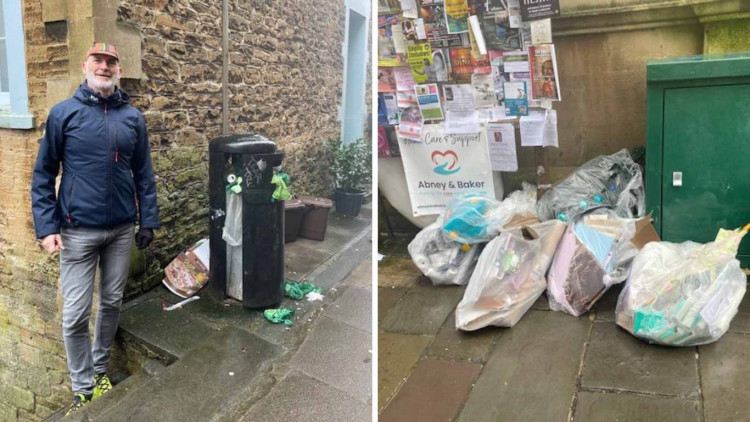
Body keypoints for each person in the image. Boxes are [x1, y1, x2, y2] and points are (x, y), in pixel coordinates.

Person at [31, 43, 160, 416]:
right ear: (86, 66)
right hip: (76, 231)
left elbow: (144, 175)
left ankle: (101, 370)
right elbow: (43, 175)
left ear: (119, 70)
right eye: (98, 61)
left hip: (121, 229)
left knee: (111, 303)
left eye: (111, 62)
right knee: (74, 314)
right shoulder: (63, 114)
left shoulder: (132, 118)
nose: (104, 67)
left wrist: (148, 219)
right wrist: (46, 228)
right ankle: (82, 386)